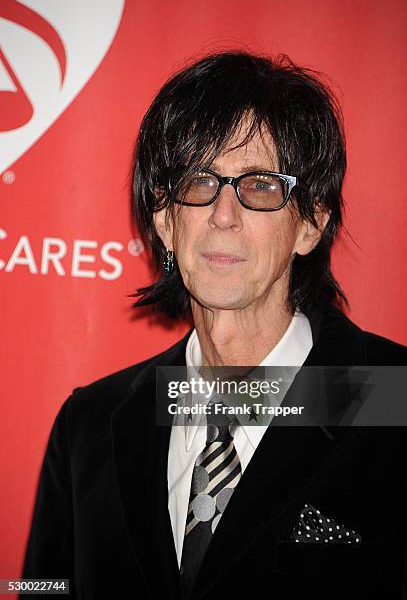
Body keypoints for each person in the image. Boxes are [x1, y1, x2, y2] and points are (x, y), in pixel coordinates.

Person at [21, 52, 407, 599]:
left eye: (260, 186)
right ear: (164, 219)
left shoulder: (396, 399)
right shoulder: (90, 425)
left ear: (311, 224)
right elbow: (40, 586)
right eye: (199, 182)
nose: (224, 214)